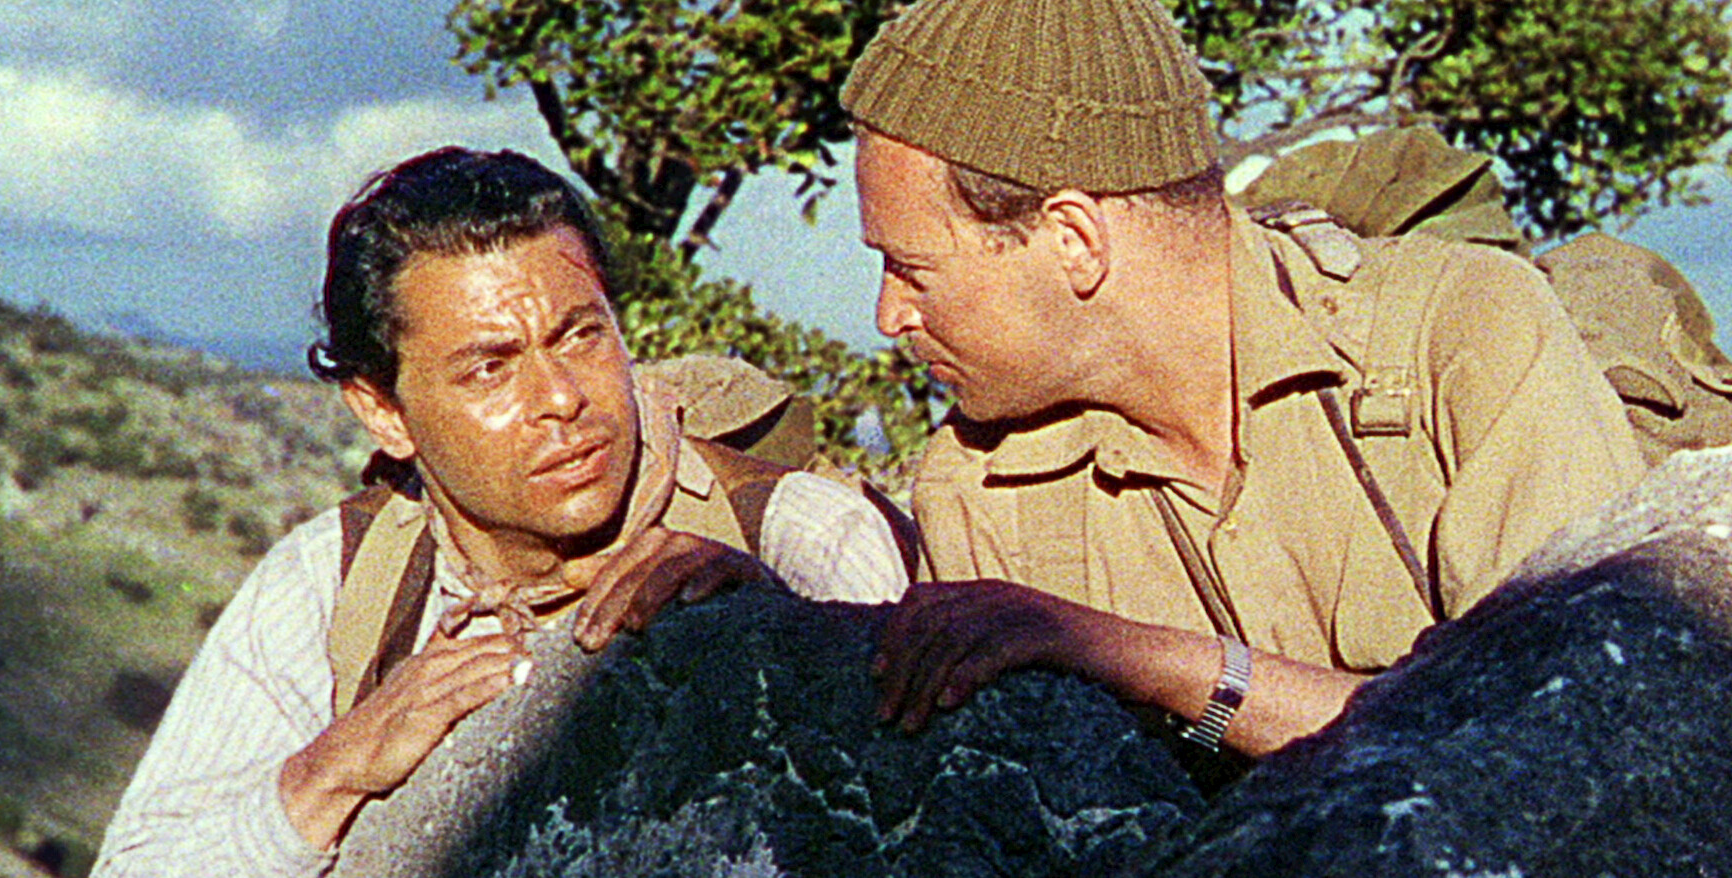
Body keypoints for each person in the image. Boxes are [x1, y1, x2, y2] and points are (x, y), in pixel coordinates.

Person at [840, 0, 1645, 757]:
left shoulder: (1461, 332)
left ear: (1075, 240)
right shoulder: (977, 491)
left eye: (912, 268)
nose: (889, 315)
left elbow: (1578, 729)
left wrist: (1145, 660)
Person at [92, 146, 908, 877]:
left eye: (580, 336)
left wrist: (778, 641)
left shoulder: (799, 534)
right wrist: (334, 769)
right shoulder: (334, 582)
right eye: (490, 369)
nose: (560, 398)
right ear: (383, 412)